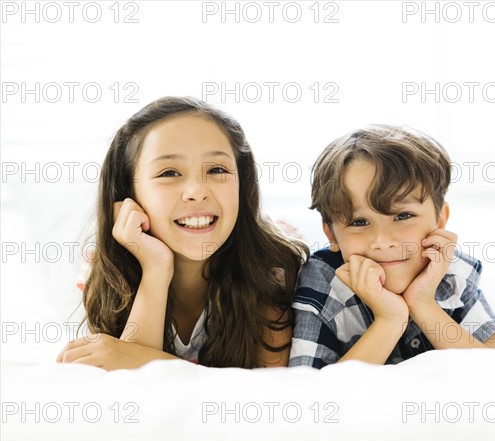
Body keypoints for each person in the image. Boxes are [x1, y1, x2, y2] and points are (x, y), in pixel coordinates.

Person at [57, 96, 308, 370]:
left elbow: (267, 386)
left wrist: (136, 357)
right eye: (169, 173)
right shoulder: (103, 264)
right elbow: (130, 383)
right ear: (129, 193)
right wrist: (155, 268)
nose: (197, 191)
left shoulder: (273, 263)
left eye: (217, 169)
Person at [289, 125, 495, 368]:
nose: (383, 241)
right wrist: (389, 319)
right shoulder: (321, 280)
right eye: (359, 222)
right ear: (331, 233)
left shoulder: (451, 270)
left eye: (403, 216)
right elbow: (313, 393)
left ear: (439, 220)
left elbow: (494, 371)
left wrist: (422, 304)